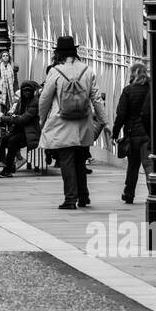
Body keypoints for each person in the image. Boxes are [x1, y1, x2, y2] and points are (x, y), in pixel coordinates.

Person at [38, 36, 107, 209]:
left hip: (62, 122)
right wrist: (105, 121)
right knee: (80, 159)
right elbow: (96, 98)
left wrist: (42, 119)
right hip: (83, 122)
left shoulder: (55, 71)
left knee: (67, 160)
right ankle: (84, 196)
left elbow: (45, 99)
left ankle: (70, 199)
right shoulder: (87, 70)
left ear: (58, 53)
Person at [111, 62, 152, 204]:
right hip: (148, 133)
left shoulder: (128, 90)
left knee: (133, 166)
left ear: (132, 74)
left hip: (133, 133)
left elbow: (121, 114)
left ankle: (129, 193)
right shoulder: (151, 89)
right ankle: (153, 192)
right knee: (148, 164)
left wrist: (115, 133)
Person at [0, 80, 40, 177]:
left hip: (30, 132)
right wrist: (10, 116)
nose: (27, 93)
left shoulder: (34, 102)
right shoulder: (21, 101)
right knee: (3, 140)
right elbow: (16, 115)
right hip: (21, 130)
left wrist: (5, 118)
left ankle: (8, 170)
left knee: (12, 142)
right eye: (25, 91)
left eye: (29, 91)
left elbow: (23, 119)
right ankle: (7, 165)